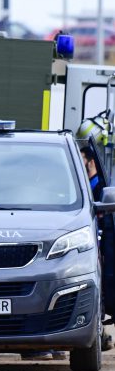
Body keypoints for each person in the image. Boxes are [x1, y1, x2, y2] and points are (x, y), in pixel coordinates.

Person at [81, 145, 115, 352]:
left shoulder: (99, 185)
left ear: (91, 162)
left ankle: (98, 333)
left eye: (83, 159)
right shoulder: (83, 184)